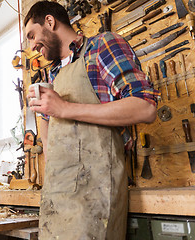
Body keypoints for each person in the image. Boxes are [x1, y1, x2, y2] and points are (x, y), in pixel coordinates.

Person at [24, 1, 158, 239]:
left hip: (95, 198)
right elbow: (51, 144)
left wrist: (64, 108)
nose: (33, 45)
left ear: (50, 21)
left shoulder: (102, 45)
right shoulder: (52, 74)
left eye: (32, 35)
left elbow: (145, 107)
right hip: (56, 197)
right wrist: (45, 112)